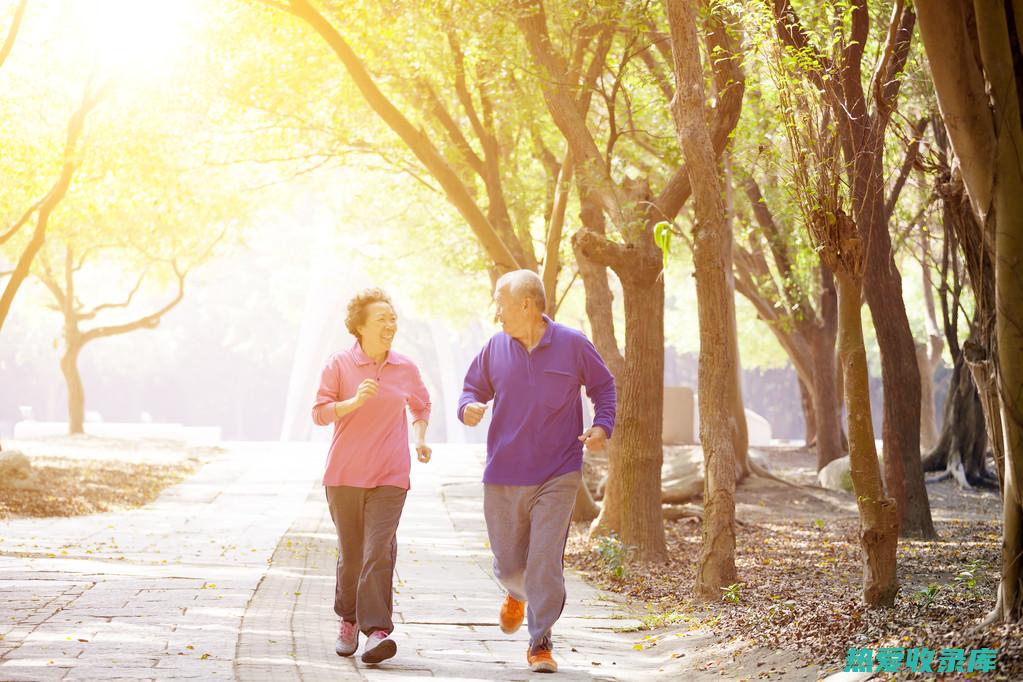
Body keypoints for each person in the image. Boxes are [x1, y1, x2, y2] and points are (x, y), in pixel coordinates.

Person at [458, 269, 616, 674]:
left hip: (557, 471)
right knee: (509, 563)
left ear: (525, 304)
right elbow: (471, 389)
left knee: (545, 559)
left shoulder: (572, 345)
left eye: (500, 303)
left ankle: (540, 640)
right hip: (504, 473)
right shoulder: (495, 348)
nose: (497, 313)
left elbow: (604, 387)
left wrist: (601, 426)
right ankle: (516, 590)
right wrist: (469, 408)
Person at [311, 288, 432, 665]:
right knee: (352, 556)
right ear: (360, 327)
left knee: (378, 551)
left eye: (393, 319)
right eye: (381, 319)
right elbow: (319, 412)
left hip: (391, 475)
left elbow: (422, 404)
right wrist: (353, 402)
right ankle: (348, 619)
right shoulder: (339, 365)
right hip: (344, 475)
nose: (390, 325)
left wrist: (421, 438)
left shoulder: (405, 368)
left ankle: (377, 632)